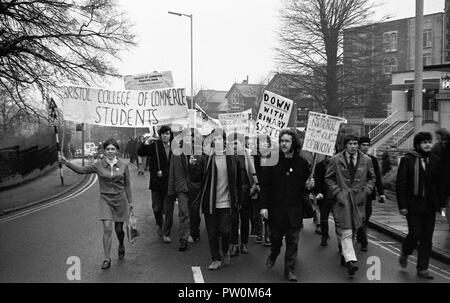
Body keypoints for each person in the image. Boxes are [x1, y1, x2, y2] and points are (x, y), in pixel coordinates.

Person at [59, 138, 133, 270]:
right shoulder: (98, 165)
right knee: (107, 228)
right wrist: (66, 163)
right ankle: (106, 258)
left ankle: (121, 244)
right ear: (104, 151)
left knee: (118, 230)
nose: (110, 151)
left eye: (113, 149)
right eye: (108, 149)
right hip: (105, 200)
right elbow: (82, 170)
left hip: (120, 200)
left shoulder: (123, 166)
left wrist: (130, 202)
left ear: (116, 151)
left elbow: (127, 184)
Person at [260, 129, 314, 282]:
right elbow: (265, 186)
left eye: (287, 141)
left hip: (294, 209)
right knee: (275, 238)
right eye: (282, 141)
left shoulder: (302, 163)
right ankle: (274, 252)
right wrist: (263, 206)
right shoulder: (272, 160)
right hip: (276, 209)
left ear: (294, 143)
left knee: (293, 242)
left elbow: (305, 187)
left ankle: (289, 270)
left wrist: (309, 185)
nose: (283, 144)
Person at [396, 132, 447, 279]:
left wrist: (441, 204)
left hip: (429, 205)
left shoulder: (435, 160)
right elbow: (401, 184)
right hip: (412, 205)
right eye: (424, 142)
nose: (428, 145)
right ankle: (406, 251)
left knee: (427, 237)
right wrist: (402, 206)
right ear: (418, 144)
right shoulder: (408, 159)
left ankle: (422, 268)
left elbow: (440, 184)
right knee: (415, 233)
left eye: (429, 142)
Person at [325, 134, 375, 277]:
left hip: (359, 200)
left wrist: (366, 191)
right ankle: (351, 261)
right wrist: (337, 192)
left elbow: (372, 178)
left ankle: (345, 255)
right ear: (345, 145)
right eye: (350, 144)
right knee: (346, 230)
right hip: (343, 200)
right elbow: (329, 178)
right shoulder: (336, 160)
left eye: (355, 143)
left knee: (354, 229)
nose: (353, 146)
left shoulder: (367, 160)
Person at [197, 129, 242, 270]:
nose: (217, 141)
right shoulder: (206, 158)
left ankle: (225, 250)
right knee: (212, 233)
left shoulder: (232, 158)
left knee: (225, 230)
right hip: (210, 202)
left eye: (219, 138)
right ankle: (216, 258)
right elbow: (197, 179)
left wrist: (238, 200)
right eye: (214, 139)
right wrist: (194, 165)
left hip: (226, 202)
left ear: (224, 141)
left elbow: (238, 182)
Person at [138, 125, 174, 242]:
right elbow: (141, 152)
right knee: (157, 208)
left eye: (167, 133)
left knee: (168, 209)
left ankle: (166, 233)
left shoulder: (175, 147)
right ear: (160, 135)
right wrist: (146, 142)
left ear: (170, 135)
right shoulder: (154, 146)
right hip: (156, 183)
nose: (165, 135)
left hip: (169, 182)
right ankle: (159, 224)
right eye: (163, 133)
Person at [229, 134, 259, 256]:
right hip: (233, 192)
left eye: (237, 143)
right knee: (234, 220)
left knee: (245, 219)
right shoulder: (228, 156)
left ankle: (244, 244)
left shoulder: (249, 154)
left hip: (246, 191)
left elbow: (254, 172)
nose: (235, 146)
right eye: (233, 143)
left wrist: (254, 187)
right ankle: (234, 244)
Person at [356, 136, 385, 252]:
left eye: (368, 145)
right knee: (360, 217)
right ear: (359, 145)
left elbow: (377, 177)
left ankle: (360, 233)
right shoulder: (354, 158)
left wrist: (381, 193)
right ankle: (364, 242)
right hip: (355, 193)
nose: (366, 147)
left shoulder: (372, 159)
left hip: (368, 193)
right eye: (363, 145)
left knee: (366, 216)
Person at [253, 135, 272, 246]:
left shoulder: (272, 157)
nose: (262, 144)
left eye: (265, 142)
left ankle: (268, 236)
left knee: (267, 212)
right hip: (258, 187)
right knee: (257, 212)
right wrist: (257, 185)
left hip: (268, 189)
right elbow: (253, 170)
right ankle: (260, 234)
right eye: (260, 143)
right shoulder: (256, 156)